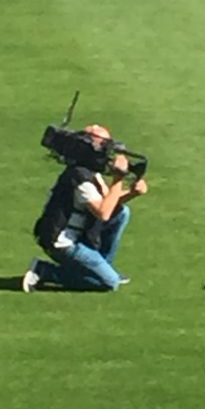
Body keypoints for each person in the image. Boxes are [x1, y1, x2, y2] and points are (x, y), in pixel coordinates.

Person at [23, 125, 148, 293]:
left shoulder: (91, 173)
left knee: (122, 213)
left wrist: (133, 193)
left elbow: (108, 202)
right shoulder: (80, 178)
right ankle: (45, 271)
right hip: (63, 242)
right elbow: (103, 213)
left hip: (79, 235)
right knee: (109, 283)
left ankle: (102, 268)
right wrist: (118, 179)